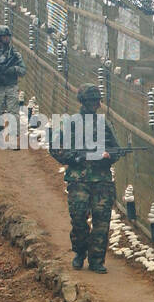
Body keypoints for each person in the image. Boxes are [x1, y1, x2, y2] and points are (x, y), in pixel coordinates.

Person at [49, 83, 124, 273]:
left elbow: (116, 149)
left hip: (102, 180)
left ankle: (97, 260)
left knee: (102, 221)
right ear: (83, 101)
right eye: (91, 101)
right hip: (78, 180)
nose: (95, 105)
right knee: (79, 219)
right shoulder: (70, 123)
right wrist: (74, 157)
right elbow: (55, 148)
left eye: (96, 101)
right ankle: (80, 252)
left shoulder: (104, 124)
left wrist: (108, 155)